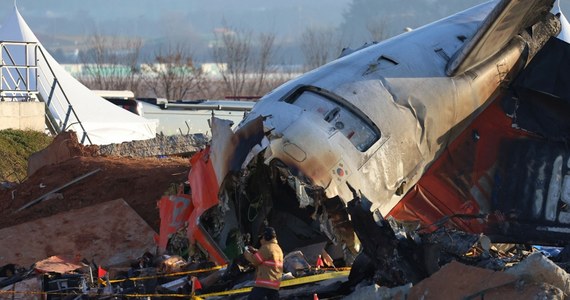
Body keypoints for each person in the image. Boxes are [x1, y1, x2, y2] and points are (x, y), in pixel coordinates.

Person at [244, 227, 283, 300]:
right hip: (274, 284)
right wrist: (255, 251)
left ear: (266, 237)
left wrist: (247, 254)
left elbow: (255, 260)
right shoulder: (277, 248)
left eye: (262, 237)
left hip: (264, 283)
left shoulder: (267, 247)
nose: (261, 239)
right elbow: (265, 257)